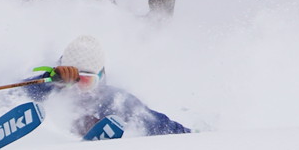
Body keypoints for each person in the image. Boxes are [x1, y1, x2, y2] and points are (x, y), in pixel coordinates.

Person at [24, 35, 190, 137]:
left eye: (86, 81)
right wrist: (48, 82)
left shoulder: (115, 102)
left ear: (100, 78)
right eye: (71, 81)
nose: (78, 89)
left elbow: (158, 124)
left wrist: (191, 136)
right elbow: (14, 98)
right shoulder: (50, 92)